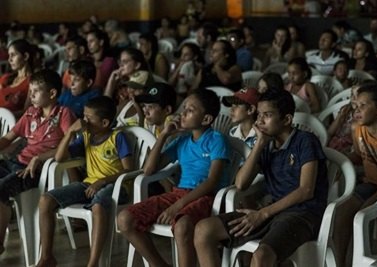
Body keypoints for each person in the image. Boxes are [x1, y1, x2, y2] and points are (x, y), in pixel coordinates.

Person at [194, 88, 328, 267]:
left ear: (287, 119)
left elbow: (306, 190)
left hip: (302, 214)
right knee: (204, 230)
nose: (260, 120)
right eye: (259, 115)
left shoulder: (305, 141)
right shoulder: (267, 145)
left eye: (267, 115)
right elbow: (241, 184)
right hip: (272, 212)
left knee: (261, 255)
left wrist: (263, 214)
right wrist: (260, 144)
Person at [117, 88, 230, 267]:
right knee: (125, 219)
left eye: (190, 110)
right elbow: (149, 170)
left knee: (182, 225)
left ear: (206, 119)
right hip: (178, 194)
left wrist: (177, 206)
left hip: (206, 197)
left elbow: (211, 182)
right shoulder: (181, 141)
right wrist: (163, 135)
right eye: (183, 108)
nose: (183, 114)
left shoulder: (216, 140)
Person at [35, 96, 133, 267]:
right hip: (89, 185)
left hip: (116, 186)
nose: (83, 121)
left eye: (88, 118)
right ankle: (46, 257)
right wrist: (71, 132)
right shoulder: (86, 136)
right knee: (45, 200)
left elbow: (129, 170)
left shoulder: (118, 137)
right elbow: (59, 157)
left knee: (98, 205)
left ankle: (93, 263)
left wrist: (102, 181)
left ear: (104, 123)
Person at [0, 69, 76, 256]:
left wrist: (40, 158)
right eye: (30, 90)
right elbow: (8, 139)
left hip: (35, 171)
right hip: (16, 162)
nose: (30, 95)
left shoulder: (64, 114)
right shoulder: (31, 113)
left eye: (35, 91)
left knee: (1, 188)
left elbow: (70, 146)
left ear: (52, 93)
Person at [334, 84, 377, 266]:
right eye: (356, 106)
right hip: (370, 184)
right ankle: (342, 264)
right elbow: (358, 154)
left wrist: (375, 202)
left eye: (363, 106)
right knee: (341, 212)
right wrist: (339, 161)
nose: (357, 110)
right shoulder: (359, 130)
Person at [0, 39, 34, 116]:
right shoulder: (6, 78)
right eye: (9, 55)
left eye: (13, 55)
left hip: (9, 123)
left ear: (25, 56)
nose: (9, 60)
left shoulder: (32, 82)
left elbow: (26, 112)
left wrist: (5, 115)